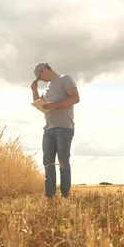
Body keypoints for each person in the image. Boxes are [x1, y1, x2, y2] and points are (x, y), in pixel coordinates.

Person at [30, 62, 80, 198]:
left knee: (63, 162)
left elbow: (75, 98)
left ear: (45, 69)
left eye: (40, 76)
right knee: (48, 163)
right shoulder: (47, 87)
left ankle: (65, 195)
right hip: (48, 129)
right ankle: (50, 195)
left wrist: (55, 105)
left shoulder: (64, 79)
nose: (41, 80)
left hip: (64, 128)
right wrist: (34, 90)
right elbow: (39, 104)